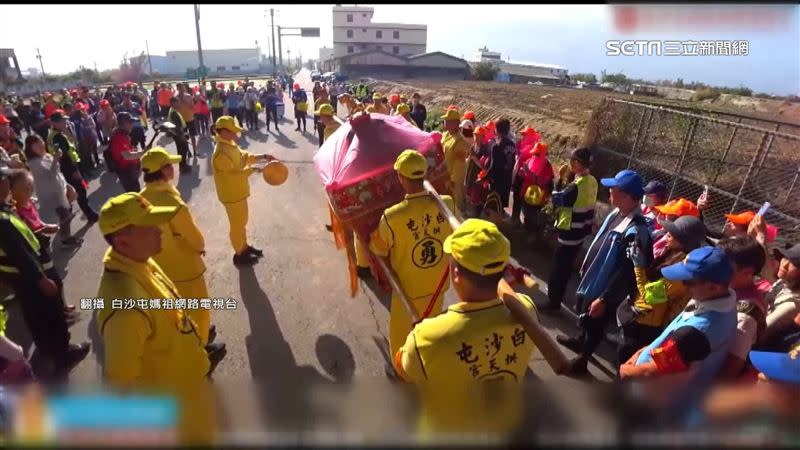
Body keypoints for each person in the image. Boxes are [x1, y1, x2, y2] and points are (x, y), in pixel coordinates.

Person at [393, 218, 538, 436]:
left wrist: (419, 338)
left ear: (456, 274)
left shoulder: (428, 336)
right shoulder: (527, 309)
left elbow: (403, 369)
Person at [95, 192, 219, 444]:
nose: (160, 230)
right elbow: (120, 384)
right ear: (123, 241)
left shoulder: (140, 262)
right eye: (149, 226)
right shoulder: (127, 305)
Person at [619, 246, 737, 424]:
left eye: (689, 281)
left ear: (714, 287)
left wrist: (625, 371)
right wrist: (641, 352)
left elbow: (651, 372)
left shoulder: (696, 332)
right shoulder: (723, 298)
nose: (683, 284)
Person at [557, 169, 652, 375]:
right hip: (595, 279)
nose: (609, 191)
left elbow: (626, 272)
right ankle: (579, 340)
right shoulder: (617, 213)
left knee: (595, 324)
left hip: (606, 289)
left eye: (613, 188)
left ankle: (582, 361)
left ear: (626, 195)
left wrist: (605, 298)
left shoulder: (636, 231)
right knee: (586, 315)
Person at [0, 165, 90, 380]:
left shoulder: (5, 210)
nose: (7, 182)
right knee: (51, 314)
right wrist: (42, 279)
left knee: (35, 316)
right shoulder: (2, 220)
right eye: (5, 179)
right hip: (32, 276)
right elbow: (20, 254)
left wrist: (39, 231)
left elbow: (18, 240)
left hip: (21, 279)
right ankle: (63, 354)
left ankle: (47, 348)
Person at [369, 150, 456, 372]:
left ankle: (402, 370)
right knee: (431, 329)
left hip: (407, 288)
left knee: (401, 333)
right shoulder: (447, 205)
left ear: (400, 178)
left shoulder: (392, 216)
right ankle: (428, 361)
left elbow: (378, 248)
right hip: (437, 285)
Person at [139, 147, 217, 347]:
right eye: (170, 165)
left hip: (158, 268)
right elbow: (196, 240)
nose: (174, 168)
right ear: (164, 171)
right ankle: (202, 350)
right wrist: (200, 247)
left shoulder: (139, 199)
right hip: (185, 268)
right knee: (198, 309)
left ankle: (193, 338)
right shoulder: (172, 203)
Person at [615, 216, 706, 364]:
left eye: (673, 233)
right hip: (640, 318)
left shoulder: (682, 271)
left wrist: (638, 266)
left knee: (626, 365)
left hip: (646, 326)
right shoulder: (673, 253)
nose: (667, 234)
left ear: (685, 242)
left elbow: (648, 295)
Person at [9, 170, 78, 319]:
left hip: (42, 246)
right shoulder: (15, 212)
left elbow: (37, 222)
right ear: (12, 191)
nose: (30, 191)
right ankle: (59, 313)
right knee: (53, 282)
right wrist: (46, 228)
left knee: (56, 280)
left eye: (31, 186)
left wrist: (47, 226)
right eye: (25, 188)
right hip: (35, 253)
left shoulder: (29, 202)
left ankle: (63, 307)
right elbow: (28, 232)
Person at [211, 116, 275, 265]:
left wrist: (263, 157)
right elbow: (233, 175)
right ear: (224, 132)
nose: (236, 134)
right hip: (231, 194)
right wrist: (254, 169)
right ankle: (239, 254)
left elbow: (244, 157)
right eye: (234, 131)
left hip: (239, 192)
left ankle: (244, 247)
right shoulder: (220, 152)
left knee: (242, 222)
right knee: (236, 225)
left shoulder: (230, 145)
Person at [542, 148, 598, 314]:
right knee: (566, 269)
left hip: (569, 233)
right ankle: (558, 297)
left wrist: (559, 180)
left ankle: (553, 302)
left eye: (573, 161)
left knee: (558, 269)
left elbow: (558, 199)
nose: (571, 163)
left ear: (577, 163)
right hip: (581, 232)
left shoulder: (576, 185)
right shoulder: (592, 181)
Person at [715, 236, 771, 381]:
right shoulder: (731, 291)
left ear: (747, 272)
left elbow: (730, 368)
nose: (715, 268)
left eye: (724, 266)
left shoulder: (746, 313)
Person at [24, 135, 81, 247]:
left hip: (60, 188)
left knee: (66, 213)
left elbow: (58, 172)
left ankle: (65, 235)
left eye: (41, 142)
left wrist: (66, 184)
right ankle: (65, 239)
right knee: (64, 216)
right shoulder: (33, 163)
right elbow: (51, 175)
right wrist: (55, 159)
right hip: (51, 194)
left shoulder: (46, 156)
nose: (41, 145)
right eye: (37, 145)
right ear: (30, 148)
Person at [46, 111, 98, 222]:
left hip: (65, 168)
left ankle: (70, 214)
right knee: (80, 191)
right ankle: (89, 214)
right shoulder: (58, 137)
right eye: (62, 121)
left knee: (73, 192)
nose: (65, 122)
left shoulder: (53, 134)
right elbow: (65, 157)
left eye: (65, 119)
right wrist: (75, 171)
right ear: (54, 123)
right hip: (69, 169)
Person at [760, 244, 800, 350]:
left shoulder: (791, 305)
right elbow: (766, 272)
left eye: (794, 264)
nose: (784, 264)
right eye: (786, 258)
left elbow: (757, 334)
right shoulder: (786, 283)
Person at [518, 142, 554, 241]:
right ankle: (527, 231)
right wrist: (522, 173)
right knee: (526, 213)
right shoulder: (530, 160)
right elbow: (524, 175)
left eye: (537, 154)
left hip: (538, 197)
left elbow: (543, 183)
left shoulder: (547, 166)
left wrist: (528, 173)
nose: (535, 155)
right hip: (526, 193)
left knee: (534, 216)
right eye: (534, 153)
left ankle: (533, 235)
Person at [440, 109, 470, 214]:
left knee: (457, 202)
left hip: (454, 178)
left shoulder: (460, 141)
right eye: (445, 121)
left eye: (448, 121)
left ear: (456, 123)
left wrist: (452, 180)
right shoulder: (447, 135)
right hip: (445, 174)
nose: (445, 123)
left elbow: (460, 165)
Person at [108, 112, 145, 193]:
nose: (132, 124)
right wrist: (143, 152)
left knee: (134, 193)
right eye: (130, 122)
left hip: (129, 170)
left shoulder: (123, 134)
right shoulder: (119, 137)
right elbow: (127, 156)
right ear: (124, 123)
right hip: (126, 172)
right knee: (134, 195)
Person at [487, 118, 516, 214]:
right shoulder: (512, 144)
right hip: (507, 179)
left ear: (496, 129)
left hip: (497, 180)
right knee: (502, 205)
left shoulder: (496, 146)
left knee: (494, 204)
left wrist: (485, 178)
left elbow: (493, 166)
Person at [168, 97, 192, 174]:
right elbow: (178, 127)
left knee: (182, 151)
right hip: (179, 135)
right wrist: (183, 135)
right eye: (177, 102)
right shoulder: (174, 113)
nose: (179, 103)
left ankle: (183, 165)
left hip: (178, 134)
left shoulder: (173, 111)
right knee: (182, 151)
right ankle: (183, 167)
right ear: (173, 103)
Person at [75, 102, 100, 169]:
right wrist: (88, 127)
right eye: (80, 110)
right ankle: (91, 164)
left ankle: (97, 162)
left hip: (92, 135)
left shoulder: (88, 117)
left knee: (95, 150)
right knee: (88, 151)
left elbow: (94, 125)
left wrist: (88, 123)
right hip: (86, 138)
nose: (82, 111)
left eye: (83, 109)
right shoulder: (79, 120)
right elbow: (82, 129)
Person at [177, 84, 198, 158]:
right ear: (177, 89)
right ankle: (188, 151)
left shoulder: (188, 96)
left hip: (190, 118)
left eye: (182, 88)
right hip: (182, 120)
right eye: (179, 88)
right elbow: (175, 110)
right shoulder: (176, 98)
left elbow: (193, 107)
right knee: (184, 137)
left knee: (193, 136)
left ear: (184, 89)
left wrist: (186, 103)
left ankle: (195, 151)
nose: (181, 90)